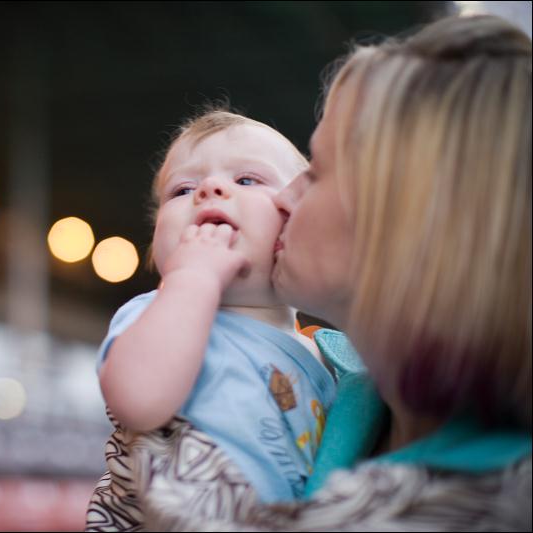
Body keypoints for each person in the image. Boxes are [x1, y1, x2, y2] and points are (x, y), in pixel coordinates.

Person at [135, 14, 532, 531]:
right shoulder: (345, 385)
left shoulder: (492, 504)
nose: (283, 197)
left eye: (315, 172)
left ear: (410, 217)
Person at [86, 109, 336, 530]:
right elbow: (138, 401)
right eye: (181, 190)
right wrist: (193, 277)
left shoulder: (322, 355)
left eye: (247, 180)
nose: (209, 189)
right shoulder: (160, 311)